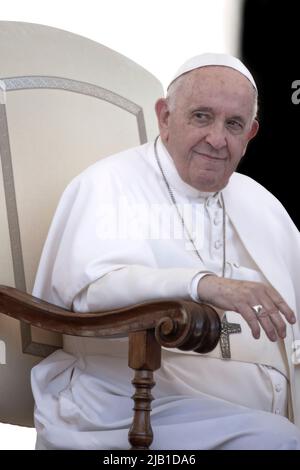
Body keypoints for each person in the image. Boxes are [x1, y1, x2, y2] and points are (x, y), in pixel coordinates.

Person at [31, 53, 300, 450]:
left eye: (234, 124)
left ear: (251, 135)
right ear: (165, 116)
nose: (217, 139)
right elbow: (91, 291)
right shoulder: (109, 183)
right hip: (134, 402)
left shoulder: (263, 204)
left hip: (257, 410)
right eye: (202, 116)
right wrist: (202, 285)